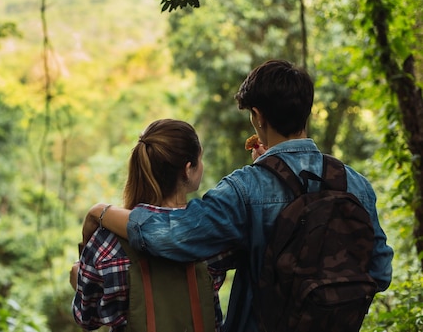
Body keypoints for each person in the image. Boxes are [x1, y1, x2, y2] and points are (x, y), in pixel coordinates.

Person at [79, 60, 394, 332]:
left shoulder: (245, 189)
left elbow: (171, 236)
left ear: (258, 116)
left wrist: (101, 212)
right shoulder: (354, 184)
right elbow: (379, 273)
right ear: (305, 112)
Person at [71, 118, 234, 331]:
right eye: (200, 159)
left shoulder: (106, 242)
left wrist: (78, 278)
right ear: (187, 169)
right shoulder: (210, 234)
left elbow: (87, 319)